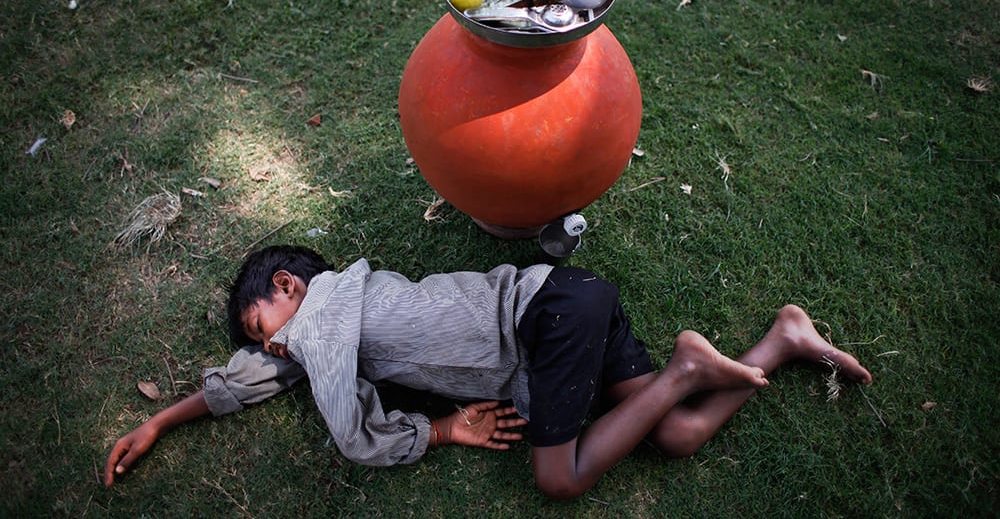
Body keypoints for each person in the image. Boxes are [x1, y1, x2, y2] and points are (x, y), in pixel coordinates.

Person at [104, 245, 872, 499]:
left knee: (559, 480)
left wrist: (436, 430)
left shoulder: (328, 313)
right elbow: (253, 378)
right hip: (568, 302)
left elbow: (351, 435)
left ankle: (681, 369)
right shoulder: (315, 337)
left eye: (261, 331)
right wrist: (160, 420)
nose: (269, 351)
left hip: (543, 321)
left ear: (290, 291)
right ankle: (782, 338)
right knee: (675, 438)